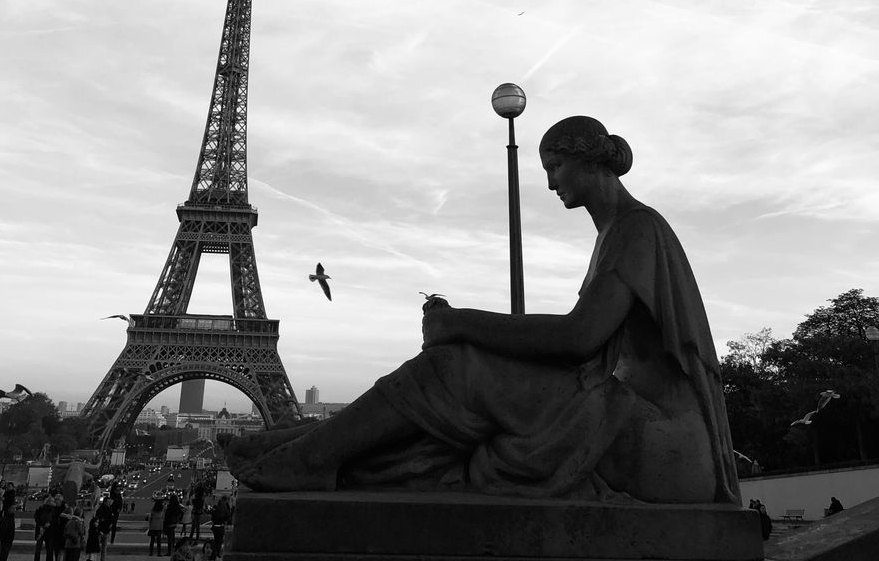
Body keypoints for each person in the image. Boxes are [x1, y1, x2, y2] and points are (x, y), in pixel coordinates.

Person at [224, 115, 740, 504]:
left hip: (661, 443)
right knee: (465, 378)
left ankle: (310, 456)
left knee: (457, 366)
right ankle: (301, 444)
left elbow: (580, 338)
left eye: (555, 167)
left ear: (589, 163)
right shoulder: (620, 230)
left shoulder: (634, 228)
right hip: (636, 424)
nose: (550, 181)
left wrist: (459, 322)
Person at [33, 495, 56, 561]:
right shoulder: (41, 509)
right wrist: (43, 525)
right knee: (39, 549)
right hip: (42, 530)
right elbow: (37, 518)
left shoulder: (53, 510)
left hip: (48, 531)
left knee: (49, 549)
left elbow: (54, 520)